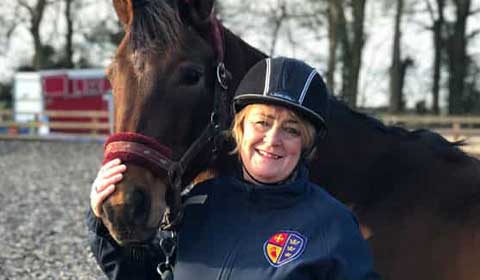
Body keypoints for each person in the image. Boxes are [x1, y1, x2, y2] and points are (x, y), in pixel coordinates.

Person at [87, 57, 380, 279]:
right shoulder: (198, 203)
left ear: (307, 144)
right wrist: (103, 221)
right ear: (239, 130)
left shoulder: (332, 225)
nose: (273, 140)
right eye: (262, 122)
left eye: (291, 130)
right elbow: (143, 275)